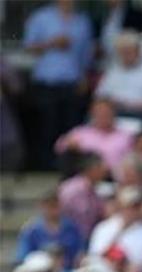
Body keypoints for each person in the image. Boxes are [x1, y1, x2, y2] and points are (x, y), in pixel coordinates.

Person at [23, 0, 94, 170]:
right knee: (47, 126)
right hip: (47, 81)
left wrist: (84, 77)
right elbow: (28, 47)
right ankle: (46, 167)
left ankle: (69, 167)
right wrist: (51, 43)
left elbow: (86, 53)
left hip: (72, 81)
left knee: (71, 127)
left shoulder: (82, 21)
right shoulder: (41, 17)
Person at [95, 30, 142, 118]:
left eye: (129, 51)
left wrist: (130, 105)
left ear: (138, 50)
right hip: (113, 114)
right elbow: (100, 95)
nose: (125, 55)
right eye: (122, 52)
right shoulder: (113, 70)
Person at [16, 189, 83, 269]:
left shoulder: (71, 228)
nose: (53, 210)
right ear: (42, 206)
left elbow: (79, 254)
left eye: (55, 205)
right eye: (49, 206)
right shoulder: (31, 230)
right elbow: (23, 256)